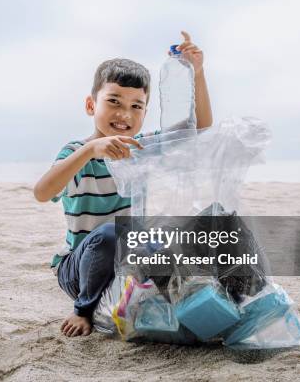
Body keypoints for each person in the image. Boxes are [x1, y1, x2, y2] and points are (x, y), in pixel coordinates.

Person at [33, 31, 213, 337]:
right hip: (80, 268)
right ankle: (83, 310)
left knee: (194, 231)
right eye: (113, 102)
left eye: (135, 106)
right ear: (91, 105)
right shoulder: (77, 153)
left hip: (128, 263)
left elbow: (198, 130)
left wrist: (196, 72)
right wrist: (91, 150)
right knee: (110, 233)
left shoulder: (140, 148)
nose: (123, 114)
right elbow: (42, 192)